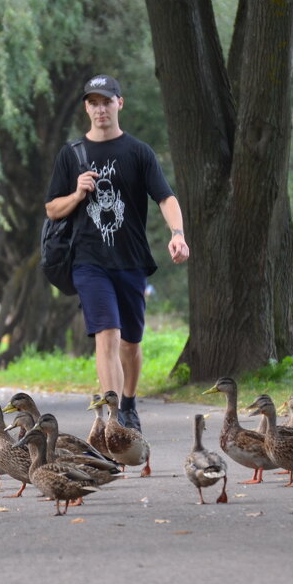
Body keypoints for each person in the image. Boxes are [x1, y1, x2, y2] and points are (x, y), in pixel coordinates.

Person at [44, 74, 189, 432]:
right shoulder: (72, 155)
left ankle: (129, 402)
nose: (100, 109)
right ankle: (113, 419)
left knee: (130, 343)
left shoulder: (138, 152)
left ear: (119, 103)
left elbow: (165, 197)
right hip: (88, 262)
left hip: (131, 261)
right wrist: (77, 195)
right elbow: (52, 209)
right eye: (93, 102)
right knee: (106, 335)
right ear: (86, 108)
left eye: (106, 101)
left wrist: (178, 233)